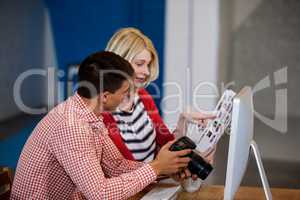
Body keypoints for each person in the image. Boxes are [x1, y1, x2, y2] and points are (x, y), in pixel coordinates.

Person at [10, 51, 192, 199]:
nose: (127, 97)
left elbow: (116, 166)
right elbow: (100, 193)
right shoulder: (73, 126)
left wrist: (165, 169)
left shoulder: (89, 115)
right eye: (124, 92)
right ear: (105, 96)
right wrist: (156, 167)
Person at [103, 27, 215, 182]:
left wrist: (183, 120)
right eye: (140, 64)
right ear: (119, 63)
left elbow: (165, 144)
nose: (147, 71)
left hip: (150, 188)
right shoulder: (101, 112)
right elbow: (118, 169)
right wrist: (163, 169)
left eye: (148, 65)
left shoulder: (143, 97)